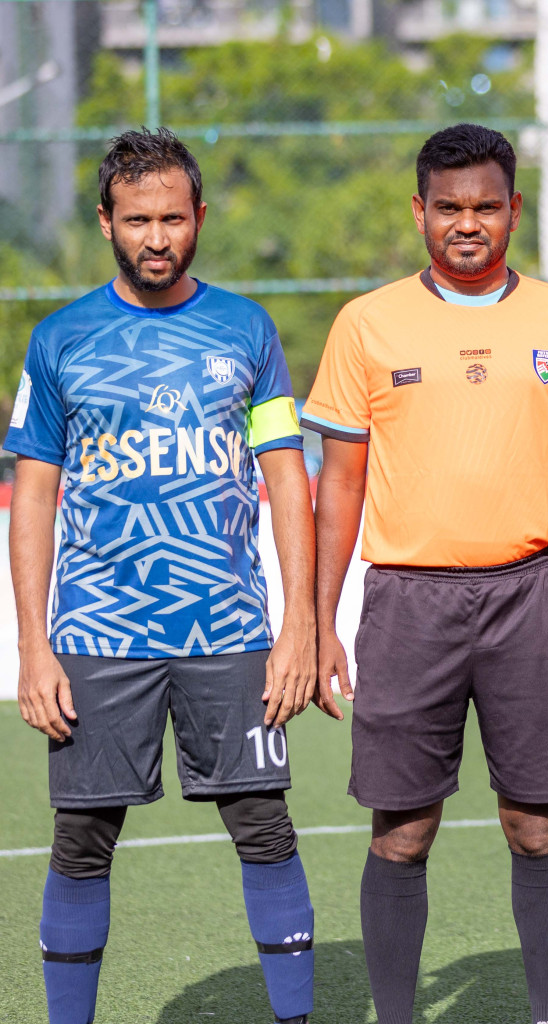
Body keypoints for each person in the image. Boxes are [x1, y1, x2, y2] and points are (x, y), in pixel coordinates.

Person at [302, 122, 548, 1024]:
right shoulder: (367, 324)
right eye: (449, 207)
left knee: (537, 828)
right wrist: (320, 620)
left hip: (534, 599)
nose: (468, 223)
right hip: (408, 605)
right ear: (419, 212)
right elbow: (341, 487)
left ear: (515, 210)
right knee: (402, 835)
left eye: (486, 206)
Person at [6, 128, 317, 1024]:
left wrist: (297, 625)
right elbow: (34, 499)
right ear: (105, 222)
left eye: (173, 218)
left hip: (229, 632)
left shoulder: (247, 329)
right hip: (100, 637)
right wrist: (33, 646)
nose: (156, 237)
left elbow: (286, 480)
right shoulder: (59, 341)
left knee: (265, 829)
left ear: (199, 218)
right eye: (137, 219)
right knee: (82, 840)